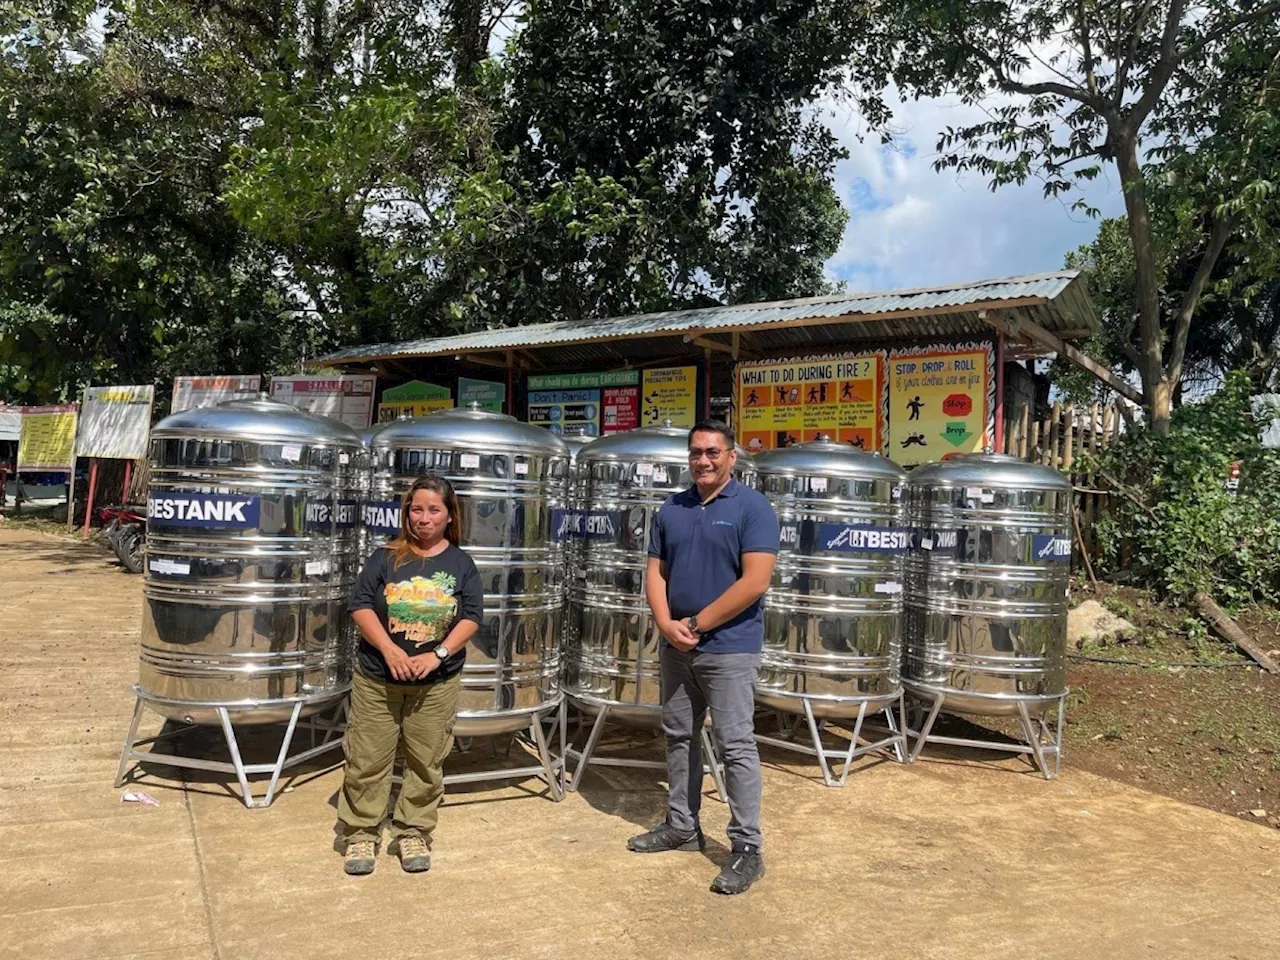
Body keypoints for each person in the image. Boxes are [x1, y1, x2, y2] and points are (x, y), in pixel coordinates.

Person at [628, 419, 779, 895]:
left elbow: (755, 581)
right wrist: (665, 623)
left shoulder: (753, 508)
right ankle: (681, 824)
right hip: (676, 646)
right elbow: (655, 573)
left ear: (731, 457)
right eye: (696, 452)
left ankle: (746, 849)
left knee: (736, 747)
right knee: (678, 735)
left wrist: (696, 624)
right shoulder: (672, 508)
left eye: (713, 452)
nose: (704, 460)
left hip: (729, 648)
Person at [337, 475, 483, 876]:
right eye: (416, 509)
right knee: (367, 758)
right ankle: (361, 831)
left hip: (435, 683)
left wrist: (437, 655)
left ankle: (412, 830)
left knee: (426, 760)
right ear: (406, 513)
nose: (424, 518)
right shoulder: (386, 557)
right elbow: (360, 605)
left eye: (434, 510)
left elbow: (471, 617)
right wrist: (389, 649)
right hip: (377, 679)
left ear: (450, 515)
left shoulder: (460, 564)